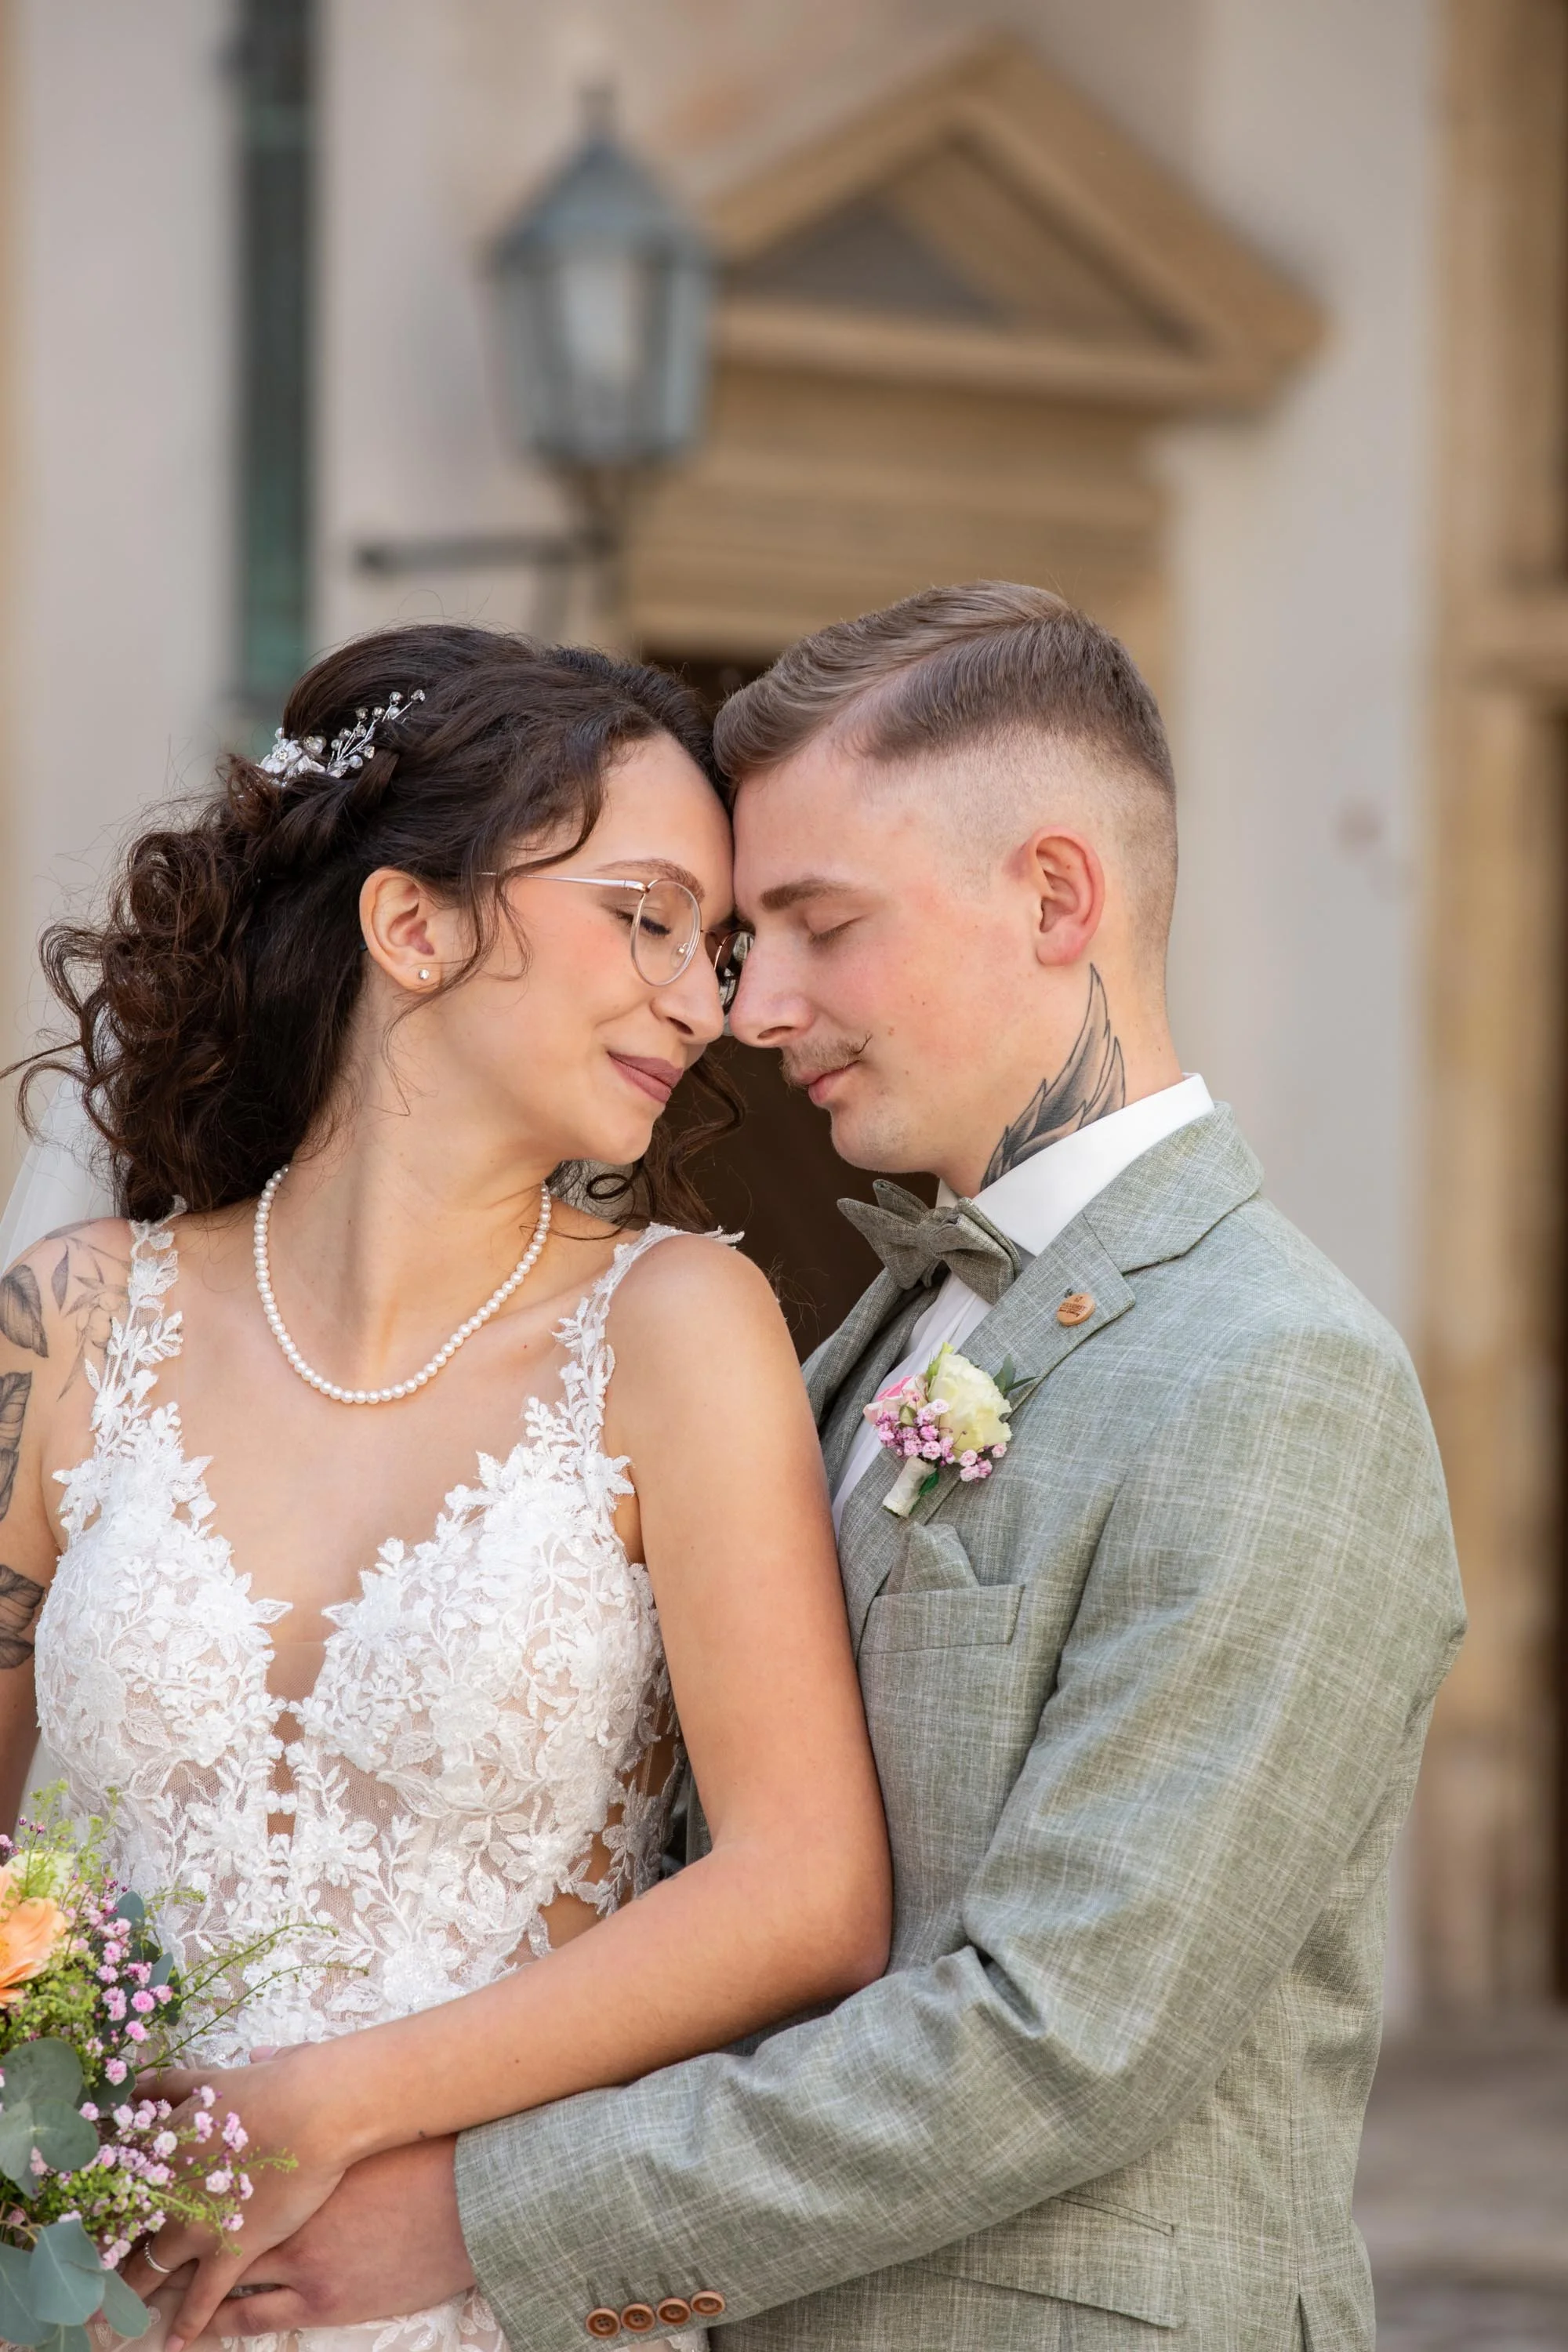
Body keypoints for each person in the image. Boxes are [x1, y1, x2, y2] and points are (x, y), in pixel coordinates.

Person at [210, 583, 1466, 2352]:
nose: (753, 1005)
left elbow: (1059, 2042)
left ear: (1056, 898)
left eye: (816, 925)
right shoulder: (877, 1329)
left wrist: (478, 2221)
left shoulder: (1277, 1377)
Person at [0, 622, 893, 2352]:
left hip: (470, 2298)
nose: (706, 1002)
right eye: (647, 918)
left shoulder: (677, 1328)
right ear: (411, 925)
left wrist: (320, 2109)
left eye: (714, 947)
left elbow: (808, 1892)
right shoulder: (72, 1323)